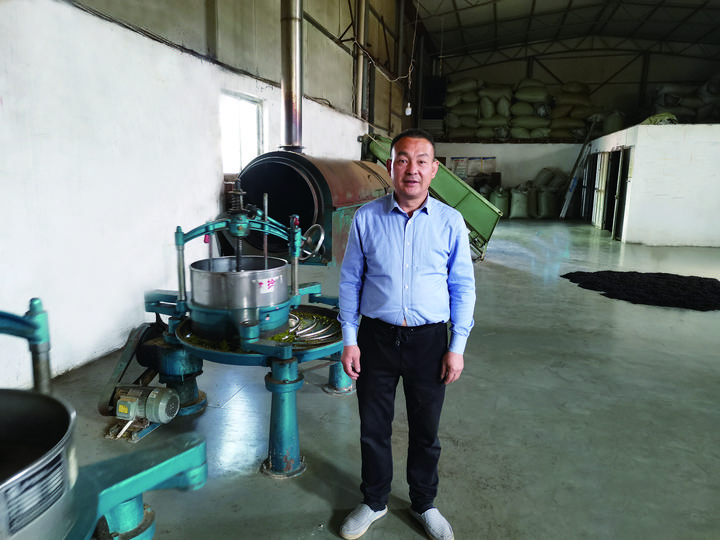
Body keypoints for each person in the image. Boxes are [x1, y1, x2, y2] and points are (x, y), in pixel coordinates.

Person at [338, 129, 476, 540]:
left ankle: (423, 503)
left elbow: (462, 286)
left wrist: (457, 346)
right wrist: (350, 339)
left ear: (434, 170)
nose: (411, 169)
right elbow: (350, 281)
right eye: (402, 160)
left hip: (429, 342)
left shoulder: (450, 222)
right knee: (373, 427)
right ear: (390, 167)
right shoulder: (367, 218)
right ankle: (374, 500)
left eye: (421, 161)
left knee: (426, 431)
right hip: (375, 339)